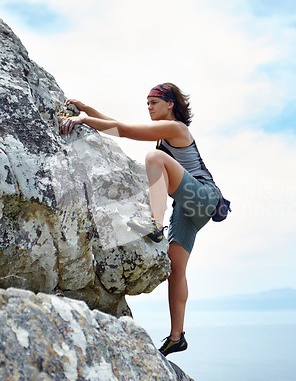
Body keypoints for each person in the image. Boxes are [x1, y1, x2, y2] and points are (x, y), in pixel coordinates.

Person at [60, 83, 219, 357]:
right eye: (147, 102)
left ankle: (155, 225)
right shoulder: (162, 134)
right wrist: (86, 111)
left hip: (204, 195)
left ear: (170, 104)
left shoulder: (176, 128)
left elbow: (125, 131)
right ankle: (176, 336)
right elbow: (117, 126)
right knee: (176, 270)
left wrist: (85, 120)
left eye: (154, 102)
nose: (149, 107)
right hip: (188, 208)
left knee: (154, 158)